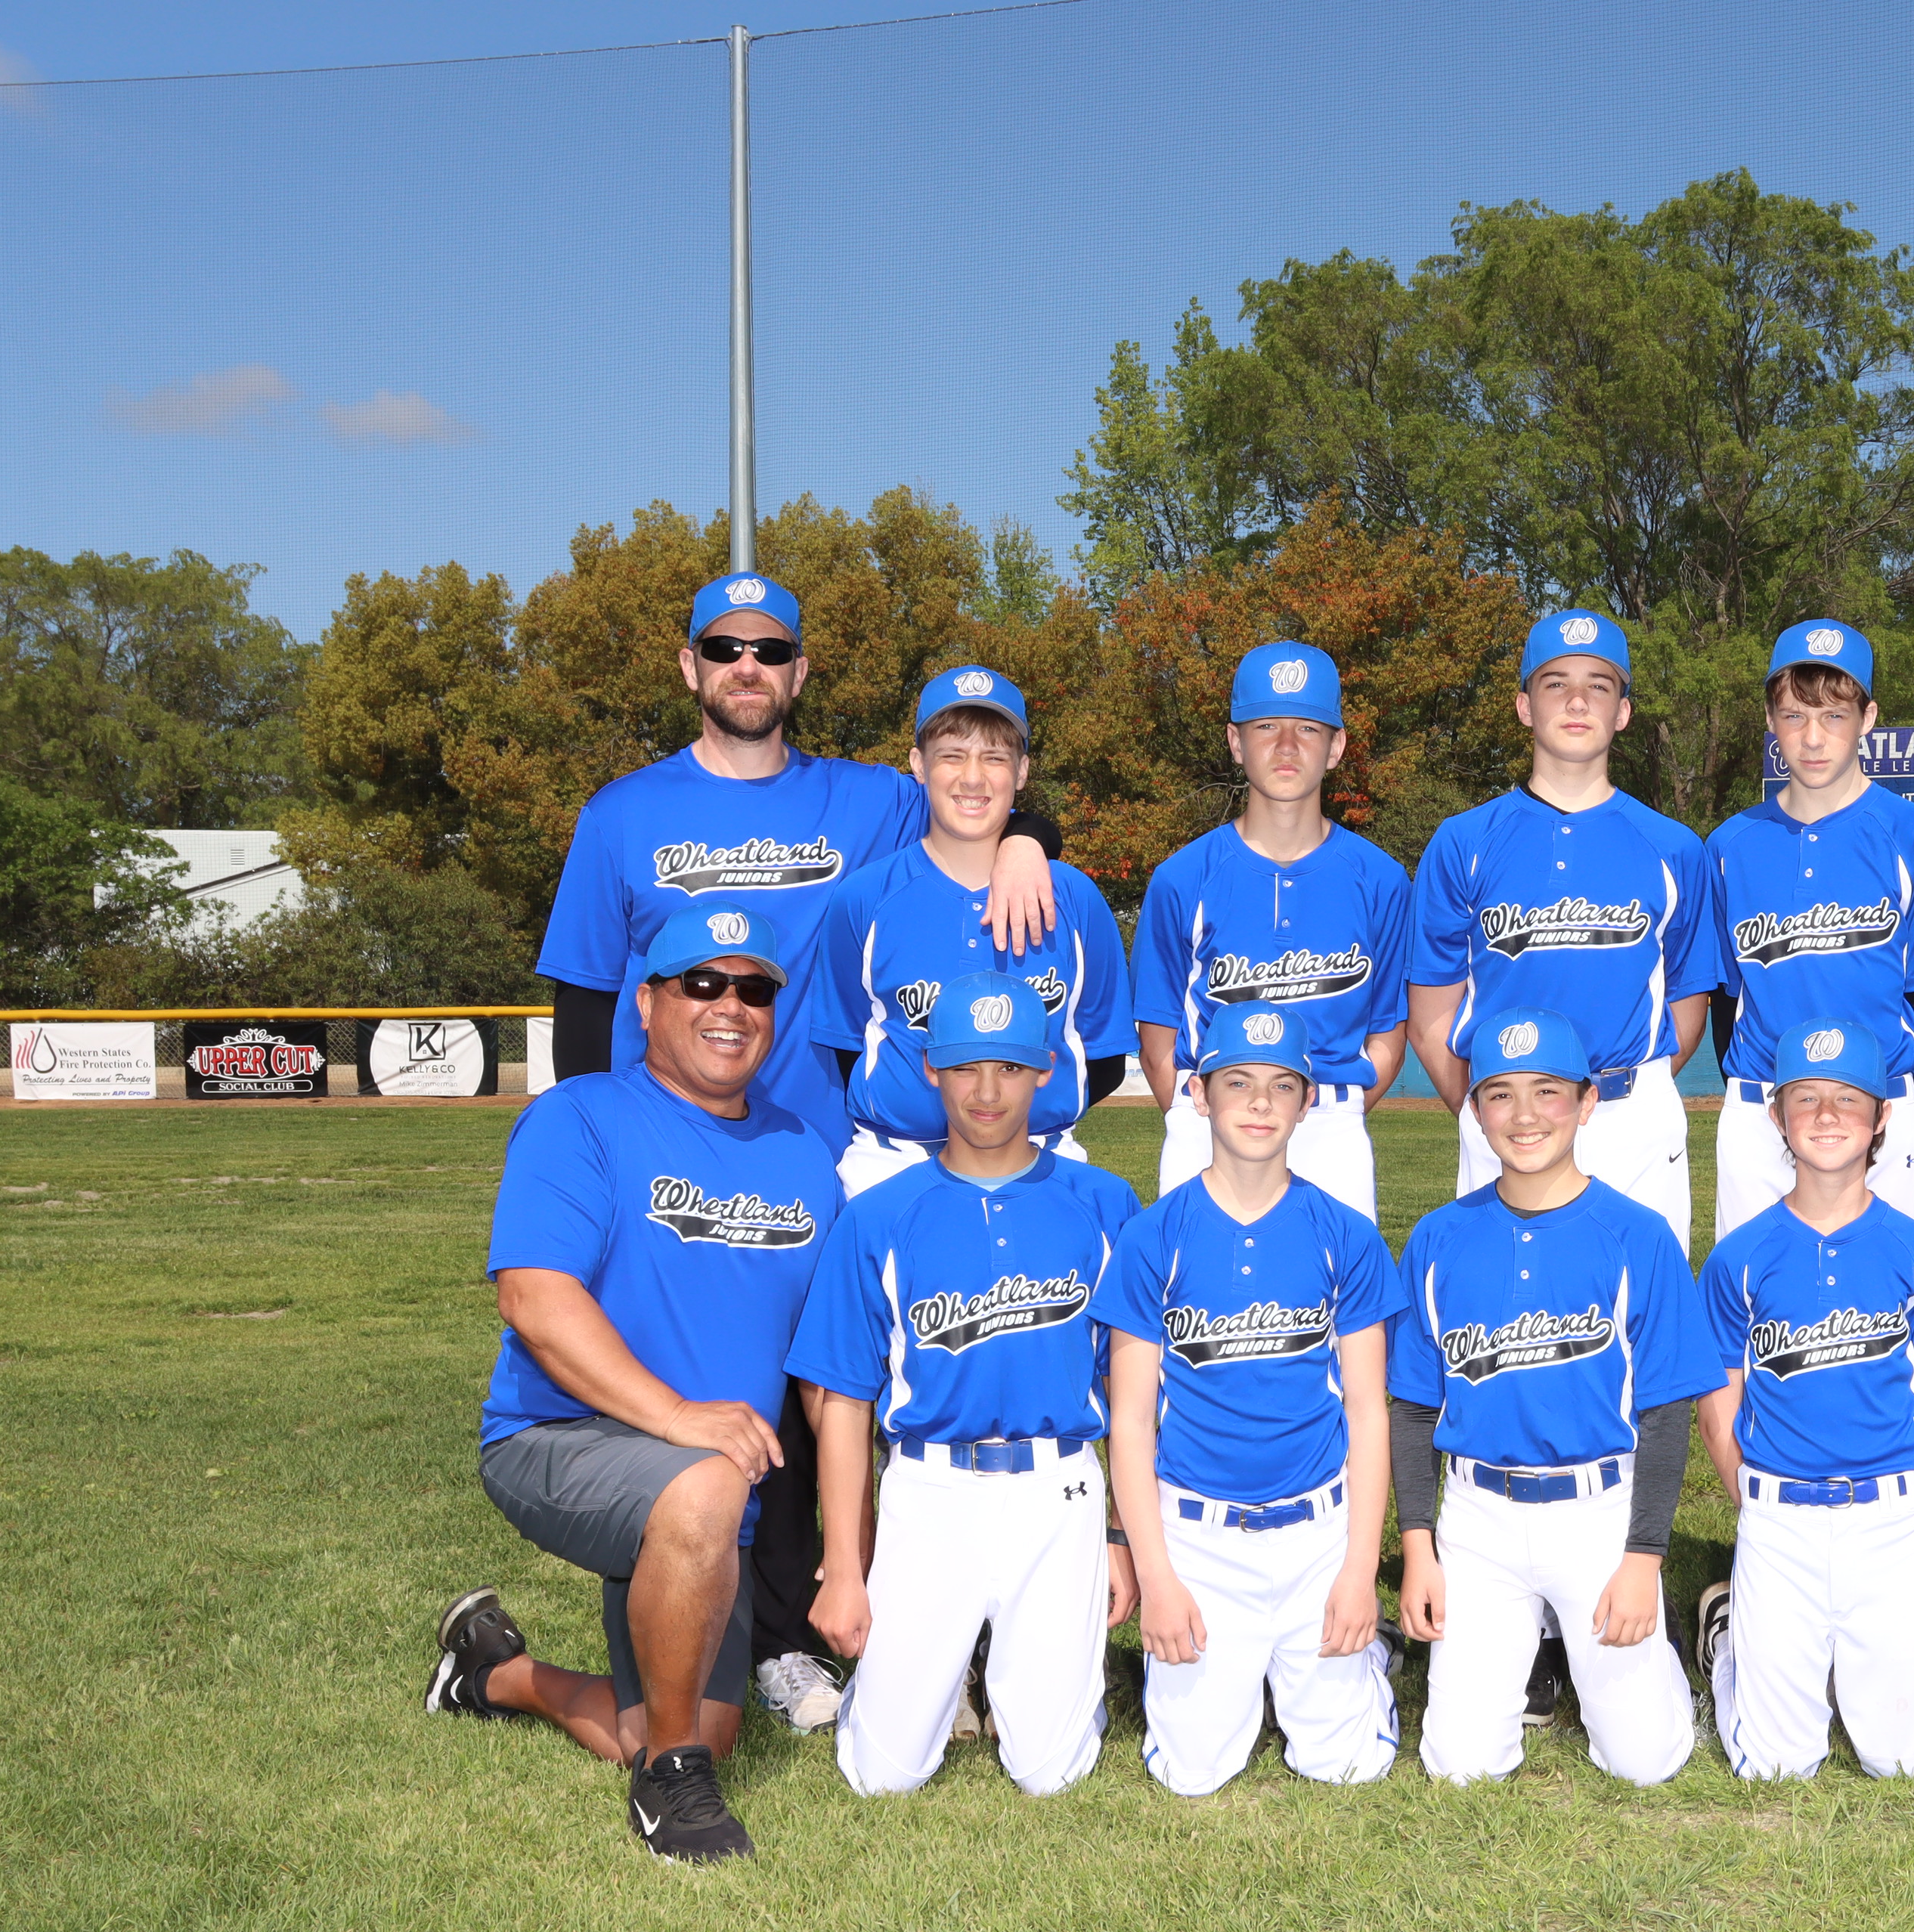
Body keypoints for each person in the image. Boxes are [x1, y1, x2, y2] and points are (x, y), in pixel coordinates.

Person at [535, 575, 1066, 1736]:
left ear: (799, 672)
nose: (748, 666)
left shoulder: (867, 800)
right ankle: (772, 1640)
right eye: (725, 647)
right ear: (691, 665)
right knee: (722, 1397)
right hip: (671, 1164)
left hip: (822, 1153)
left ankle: (909, 1630)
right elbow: (581, 1008)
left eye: (770, 650)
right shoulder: (621, 815)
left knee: (858, 1389)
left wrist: (1031, 842)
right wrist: (596, 1162)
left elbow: (975, 796)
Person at [426, 903, 844, 1862]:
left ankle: (492, 1670)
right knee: (706, 1492)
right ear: (647, 1003)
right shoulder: (580, 1117)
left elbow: (823, 1366)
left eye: (753, 989)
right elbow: (534, 1297)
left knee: (674, 1722)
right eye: (702, 982)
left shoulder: (801, 1152)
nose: (730, 1005)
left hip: (705, 1484)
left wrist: (855, 1539)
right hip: (557, 1436)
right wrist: (676, 1415)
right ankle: (672, 1792)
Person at [785, 976, 1145, 1797]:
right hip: (929, 1492)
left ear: (1046, 1069)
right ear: (930, 1070)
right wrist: (845, 1566)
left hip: (1060, 1490)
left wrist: (1120, 1537)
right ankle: (933, 1681)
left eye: (1009, 1067)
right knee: (883, 1775)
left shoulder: (1103, 1204)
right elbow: (843, 1402)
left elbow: (1132, 1395)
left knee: (1049, 1772)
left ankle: (1051, 1682)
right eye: (965, 1067)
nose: (986, 1091)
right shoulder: (880, 1215)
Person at [1389, 1014, 1718, 1788]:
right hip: (1478, 1520)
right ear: (1476, 1110)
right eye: (1500, 1094)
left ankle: (1704, 1649)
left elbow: (1664, 1415)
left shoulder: (1638, 1236)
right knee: (1460, 1768)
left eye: (1547, 1092)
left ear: (1587, 1102)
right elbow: (1412, 1409)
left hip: (1599, 1514)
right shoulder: (1437, 1238)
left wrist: (1643, 1558)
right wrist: (1418, 1547)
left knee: (1645, 1762)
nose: (1525, 1114)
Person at [1098, 1006, 1403, 1797]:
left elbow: (1368, 1410)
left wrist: (1359, 1571)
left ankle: (1361, 1657)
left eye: (1281, 1085)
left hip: (1317, 1531)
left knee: (1347, 1766)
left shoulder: (1346, 1234)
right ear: (1199, 1094)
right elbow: (1129, 1422)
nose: (1260, 1102)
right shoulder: (1153, 1237)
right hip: (1199, 1536)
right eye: (1237, 1082)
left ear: (1308, 1102)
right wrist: (1157, 1577)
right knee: (1193, 1773)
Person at [1408, 611, 1722, 1250]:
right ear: (1525, 706)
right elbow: (1431, 1011)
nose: (1577, 701)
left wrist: (1635, 1088)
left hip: (1631, 1115)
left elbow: (1690, 999)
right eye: (1556, 684)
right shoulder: (1464, 841)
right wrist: (1485, 1106)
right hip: (1508, 1115)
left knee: (1640, 1301)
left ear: (1622, 712)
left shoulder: (1673, 846)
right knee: (1504, 1304)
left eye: (1598, 686)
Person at [1693, 1020, 1914, 1782]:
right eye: (1806, 1099)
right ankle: (1730, 1642)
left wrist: (1901, 1470)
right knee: (1776, 1766)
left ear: (1882, 1116)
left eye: (1849, 1098)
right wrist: (1751, 1495)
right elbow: (1719, 1396)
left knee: (1905, 1762)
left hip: (1890, 1519)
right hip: (1780, 1517)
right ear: (1777, 1116)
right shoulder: (1739, 1255)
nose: (1828, 1115)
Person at [802, 666, 1132, 1199]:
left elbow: (1105, 1056)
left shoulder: (1074, 898)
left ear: (1022, 771)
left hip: (1044, 1160)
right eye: (952, 756)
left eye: (994, 758)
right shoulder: (864, 898)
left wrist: (1007, 1129)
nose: (973, 778)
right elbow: (845, 1048)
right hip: (893, 1164)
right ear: (918, 765)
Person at [1131, 642, 1414, 1222]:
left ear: (1336, 746)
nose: (1287, 746)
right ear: (1236, 743)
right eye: (1266, 726)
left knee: (1333, 1284)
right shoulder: (1183, 877)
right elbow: (1157, 1037)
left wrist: (1330, 1112)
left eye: (1308, 728)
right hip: (1208, 1122)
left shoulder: (1381, 879)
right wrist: (1198, 1114)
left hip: (1330, 1124)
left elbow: (1387, 1032)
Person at [1704, 619, 1914, 1235]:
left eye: (1834, 716)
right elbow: (1725, 998)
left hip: (1882, 1102)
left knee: (1884, 1292)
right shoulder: (1730, 844)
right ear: (1770, 719)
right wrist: (1759, 1096)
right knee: (1755, 1291)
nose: (1813, 737)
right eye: (1794, 716)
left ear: (1868, 718)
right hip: (1759, 1106)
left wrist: (1889, 1106)